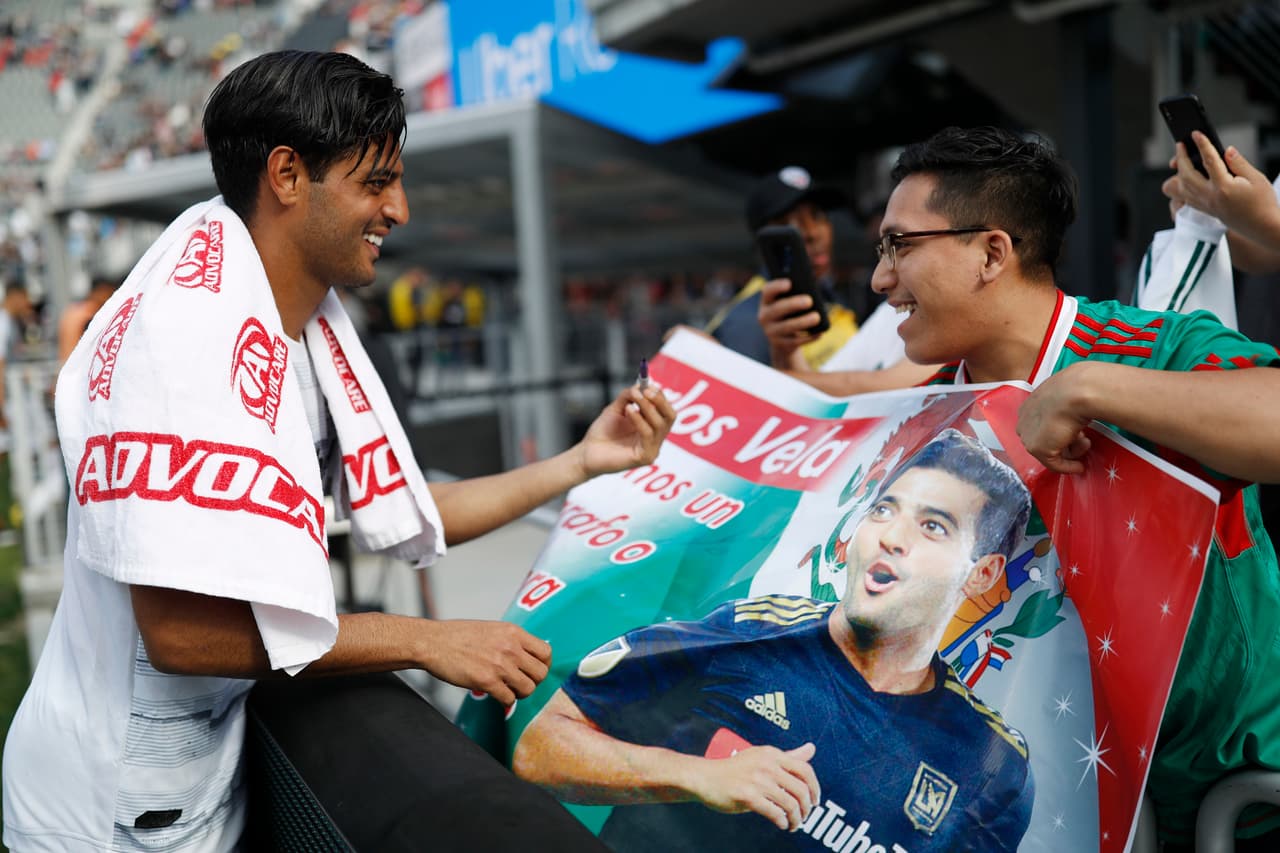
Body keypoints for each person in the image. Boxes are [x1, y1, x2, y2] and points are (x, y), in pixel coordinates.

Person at [2, 50, 676, 853]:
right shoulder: (183, 335)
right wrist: (429, 638)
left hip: (192, 786)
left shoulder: (298, 329)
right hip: (104, 814)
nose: (400, 209)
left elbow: (407, 510)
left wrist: (580, 462)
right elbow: (182, 633)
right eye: (375, 181)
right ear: (288, 175)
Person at [867, 125, 1280, 851]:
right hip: (1054, 811)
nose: (880, 279)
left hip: (1237, 806)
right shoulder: (925, 419)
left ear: (992, 252)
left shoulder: (1151, 350)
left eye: (901, 246)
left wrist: (1091, 388)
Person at [514, 429, 1035, 852]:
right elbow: (539, 748)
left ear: (981, 574)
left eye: (933, 527)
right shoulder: (749, 635)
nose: (891, 537)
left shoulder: (992, 762)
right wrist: (696, 776)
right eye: (883, 510)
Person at [705, 166, 936, 394]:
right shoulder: (747, 322)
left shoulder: (832, 300)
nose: (813, 232)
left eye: (817, 216)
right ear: (764, 241)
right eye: (790, 224)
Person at [56, 274, 119, 363]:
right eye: (110, 293)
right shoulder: (90, 313)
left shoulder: (72, 310)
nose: (111, 297)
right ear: (101, 291)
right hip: (79, 368)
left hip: (66, 366)